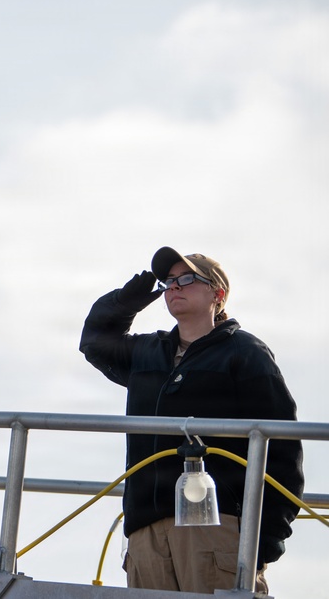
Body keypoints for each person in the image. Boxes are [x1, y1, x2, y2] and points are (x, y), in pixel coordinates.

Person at [79, 247, 304, 594]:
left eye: (187, 279)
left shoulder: (246, 354)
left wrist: (260, 547)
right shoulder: (147, 352)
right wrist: (125, 302)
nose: (174, 287)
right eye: (168, 281)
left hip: (217, 529)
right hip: (145, 532)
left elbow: (282, 452)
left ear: (218, 294)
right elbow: (94, 342)